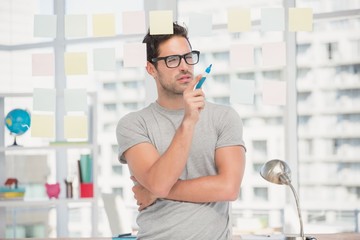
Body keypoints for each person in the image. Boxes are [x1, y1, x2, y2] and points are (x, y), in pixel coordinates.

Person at [116, 22, 246, 240]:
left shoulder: (224, 117)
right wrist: (188, 122)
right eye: (172, 60)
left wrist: (153, 192)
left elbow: (228, 188)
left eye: (188, 57)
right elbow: (159, 181)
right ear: (151, 68)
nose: (184, 66)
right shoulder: (133, 124)